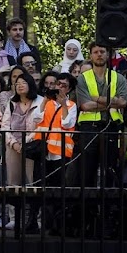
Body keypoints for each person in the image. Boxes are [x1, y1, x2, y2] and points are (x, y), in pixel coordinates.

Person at [29, 72, 78, 235]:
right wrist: (45, 100)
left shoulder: (71, 105)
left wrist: (63, 104)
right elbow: (36, 118)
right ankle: (35, 222)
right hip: (43, 152)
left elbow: (67, 123)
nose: (59, 87)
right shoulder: (47, 103)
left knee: (57, 190)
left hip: (60, 153)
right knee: (39, 187)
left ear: (69, 88)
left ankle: (56, 225)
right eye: (58, 84)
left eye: (64, 85)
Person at [76, 42, 127, 190]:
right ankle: (88, 209)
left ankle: (109, 209)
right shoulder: (82, 78)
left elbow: (123, 102)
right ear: (91, 55)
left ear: (107, 54)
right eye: (96, 52)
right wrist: (112, 102)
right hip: (89, 128)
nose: (99, 54)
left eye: (102, 51)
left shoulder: (118, 78)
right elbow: (85, 105)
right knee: (87, 171)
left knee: (111, 169)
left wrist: (95, 98)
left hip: (111, 126)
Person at [2, 71, 41, 192]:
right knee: (13, 183)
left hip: (32, 146)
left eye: (23, 83)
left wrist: (25, 142)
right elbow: (5, 126)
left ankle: (33, 210)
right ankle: (13, 210)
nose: (20, 85)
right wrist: (14, 143)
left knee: (32, 181)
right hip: (12, 146)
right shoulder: (11, 102)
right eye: (17, 83)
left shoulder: (40, 102)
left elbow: (41, 126)